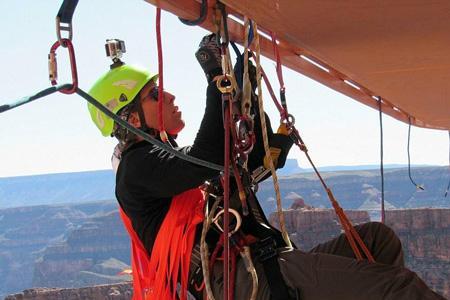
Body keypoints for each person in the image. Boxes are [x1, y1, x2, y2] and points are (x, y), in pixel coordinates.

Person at [88, 35, 446, 300]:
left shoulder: (162, 163)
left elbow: (247, 159)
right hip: (243, 279)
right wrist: (217, 78)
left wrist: (249, 92)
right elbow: (210, 155)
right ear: (131, 118)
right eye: (155, 95)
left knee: (377, 241)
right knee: (402, 289)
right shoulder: (137, 171)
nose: (169, 97)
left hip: (259, 260)